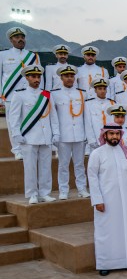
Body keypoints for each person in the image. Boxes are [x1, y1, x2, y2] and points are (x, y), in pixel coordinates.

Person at [87, 125, 127, 276]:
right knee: (107, 231)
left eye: (117, 134)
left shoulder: (126, 152)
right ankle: (105, 263)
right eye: (111, 133)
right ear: (105, 135)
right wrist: (97, 200)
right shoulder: (97, 154)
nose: (114, 137)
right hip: (106, 200)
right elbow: (92, 178)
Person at [8, 65, 59, 204]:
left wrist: (56, 133)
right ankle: (32, 194)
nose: (37, 79)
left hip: (46, 136)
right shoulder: (19, 95)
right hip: (28, 138)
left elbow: (53, 116)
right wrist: (16, 134)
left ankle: (45, 193)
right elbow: (14, 117)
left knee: (45, 167)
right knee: (30, 168)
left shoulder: (47, 95)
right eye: (33, 76)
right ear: (27, 78)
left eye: (38, 76)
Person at [51, 65, 90, 199]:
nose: (69, 78)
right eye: (66, 76)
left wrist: (87, 134)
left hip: (79, 134)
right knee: (63, 165)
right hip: (63, 135)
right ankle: (63, 190)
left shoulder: (82, 93)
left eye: (71, 76)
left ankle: (82, 189)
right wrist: (55, 133)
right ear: (61, 77)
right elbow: (53, 116)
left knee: (79, 164)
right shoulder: (54, 94)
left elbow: (86, 116)